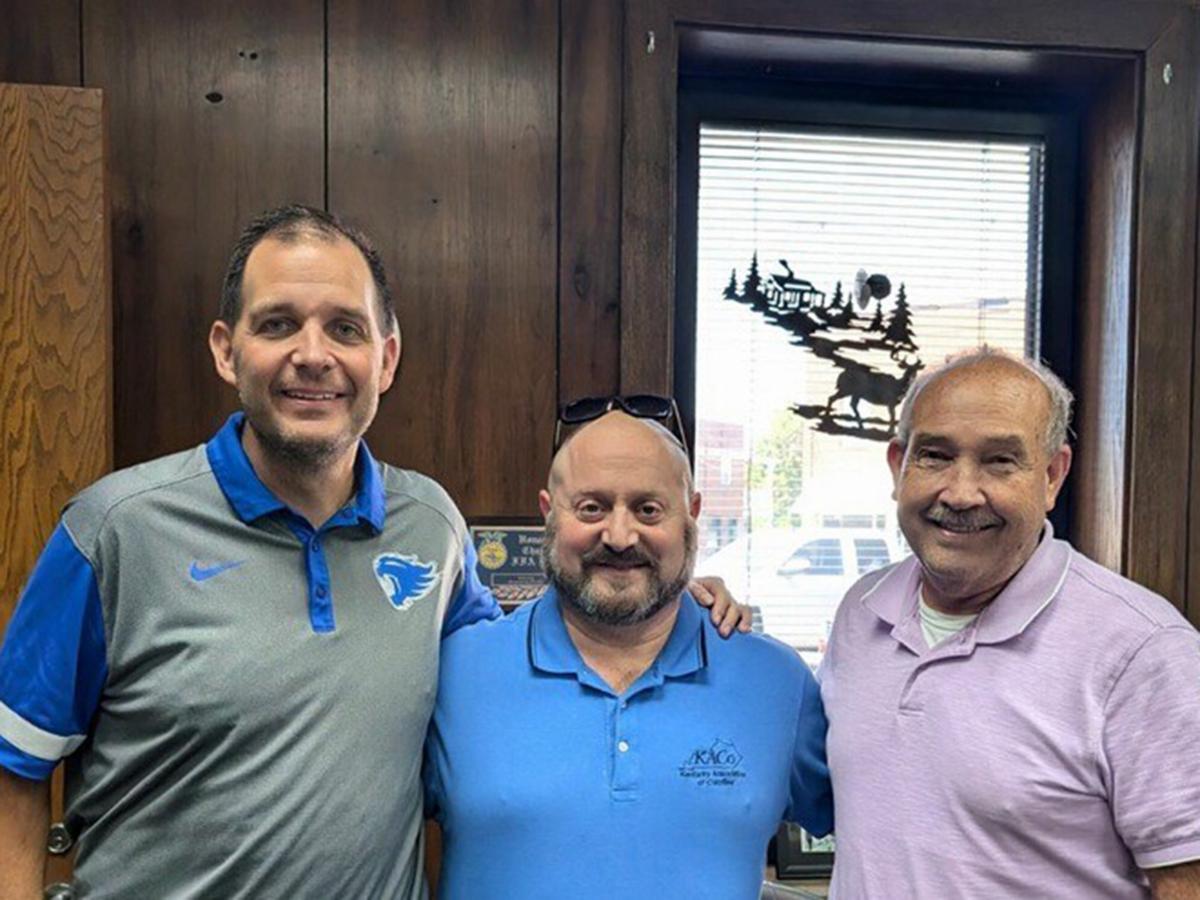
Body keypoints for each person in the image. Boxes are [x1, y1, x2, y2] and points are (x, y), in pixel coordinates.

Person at [0, 206, 746, 899]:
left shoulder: (432, 526)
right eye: (278, 324)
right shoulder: (114, 532)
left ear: (385, 359)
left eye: (345, 329)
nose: (313, 355)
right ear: (227, 351)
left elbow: (516, 664)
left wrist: (659, 601)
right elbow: (13, 764)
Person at [819, 347, 1200, 898]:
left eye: (999, 461)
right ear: (898, 466)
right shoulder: (861, 610)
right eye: (935, 456)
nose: (960, 493)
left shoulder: (1145, 652)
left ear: (1052, 476)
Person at [425, 410, 833, 899]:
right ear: (548, 514)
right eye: (591, 508)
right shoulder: (452, 672)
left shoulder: (776, 682)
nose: (619, 537)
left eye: (648, 510)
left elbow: (884, 830)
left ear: (691, 515)